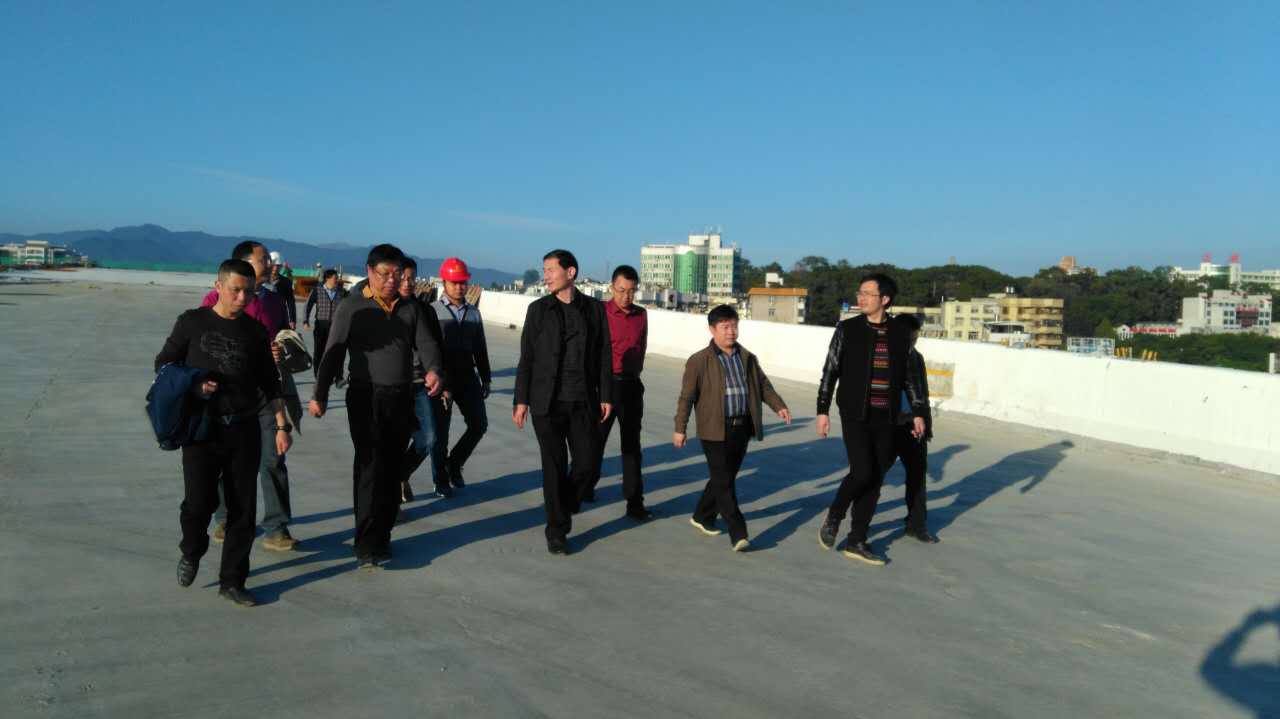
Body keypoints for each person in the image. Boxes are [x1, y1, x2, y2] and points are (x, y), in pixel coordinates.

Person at [157, 258, 293, 607]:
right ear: (218, 286)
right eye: (235, 290)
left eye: (248, 291)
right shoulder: (192, 322)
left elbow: (270, 383)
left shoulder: (255, 332)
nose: (242, 298)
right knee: (198, 504)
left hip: (244, 428)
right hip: (202, 428)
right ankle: (192, 549)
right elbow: (164, 363)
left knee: (242, 510)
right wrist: (194, 384)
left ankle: (232, 581)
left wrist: (281, 425)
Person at [309, 244, 444, 569]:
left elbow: (427, 344)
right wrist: (320, 393)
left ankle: (383, 536)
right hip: (364, 396)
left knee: (392, 469)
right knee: (370, 466)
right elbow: (333, 351)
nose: (392, 280)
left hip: (401, 396)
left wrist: (434, 369)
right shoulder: (352, 306)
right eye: (385, 274)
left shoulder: (410, 308)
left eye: (397, 274)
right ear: (370, 272)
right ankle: (366, 542)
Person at [814, 273, 928, 565]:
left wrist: (917, 412)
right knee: (863, 471)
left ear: (885, 299)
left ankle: (857, 540)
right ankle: (835, 514)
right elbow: (830, 370)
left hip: (887, 416)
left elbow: (910, 378)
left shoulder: (900, 333)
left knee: (875, 479)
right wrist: (822, 409)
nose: (861, 298)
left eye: (867, 293)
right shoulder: (848, 329)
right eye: (860, 293)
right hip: (854, 413)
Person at [512, 249, 612, 556]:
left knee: (588, 464)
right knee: (553, 467)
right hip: (547, 403)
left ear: (571, 273)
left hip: (583, 400)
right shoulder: (538, 310)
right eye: (544, 270)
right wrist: (521, 400)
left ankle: (564, 504)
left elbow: (604, 354)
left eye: (550, 270)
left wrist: (606, 394)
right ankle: (556, 531)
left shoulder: (594, 309)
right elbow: (527, 357)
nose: (546, 276)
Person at [201, 241, 299, 552]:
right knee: (226, 460)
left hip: (266, 392)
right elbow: (205, 341)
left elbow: (284, 336)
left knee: (273, 457)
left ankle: (276, 527)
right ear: (242, 263)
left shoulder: (274, 300)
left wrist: (281, 348)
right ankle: (224, 517)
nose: (270, 264)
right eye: (263, 260)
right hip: (229, 393)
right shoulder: (214, 299)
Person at [674, 305, 791, 552]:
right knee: (724, 483)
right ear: (712, 329)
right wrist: (680, 428)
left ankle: (702, 515)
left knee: (723, 478)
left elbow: (763, 385)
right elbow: (687, 397)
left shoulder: (747, 357)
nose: (731, 331)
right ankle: (738, 532)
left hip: (741, 427)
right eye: (725, 327)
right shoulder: (699, 361)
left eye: (734, 326)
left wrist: (778, 405)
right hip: (713, 429)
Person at [581, 264, 654, 520]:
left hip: (632, 386)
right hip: (605, 386)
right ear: (612, 288)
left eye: (632, 291)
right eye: (621, 290)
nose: (626, 296)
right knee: (595, 441)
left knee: (632, 447)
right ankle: (584, 487)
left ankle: (635, 503)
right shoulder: (599, 312)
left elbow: (642, 346)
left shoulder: (641, 315)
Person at [429, 257, 491, 493]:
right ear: (444, 282)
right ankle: (441, 480)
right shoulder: (432, 311)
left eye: (463, 282)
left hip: (468, 377)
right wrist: (440, 382)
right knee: (440, 433)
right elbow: (429, 350)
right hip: (441, 379)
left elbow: (480, 348)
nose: (459, 287)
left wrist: (485, 377)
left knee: (479, 424)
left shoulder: (474, 313)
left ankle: (454, 463)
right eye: (454, 282)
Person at [396, 258, 443, 503]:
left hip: (419, 384)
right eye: (403, 278)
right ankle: (391, 497)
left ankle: (399, 475)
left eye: (412, 278)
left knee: (428, 438)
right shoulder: (383, 308)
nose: (407, 283)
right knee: (394, 440)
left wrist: (439, 376)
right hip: (392, 386)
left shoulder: (425, 310)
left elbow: (436, 346)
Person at [891, 313, 939, 544]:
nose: (914, 341)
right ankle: (860, 526)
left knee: (918, 476)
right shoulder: (885, 356)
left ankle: (917, 524)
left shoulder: (917, 358)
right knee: (872, 475)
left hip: (914, 425)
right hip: (889, 425)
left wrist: (926, 425)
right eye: (911, 337)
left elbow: (922, 394)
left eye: (916, 337)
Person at [303, 269, 348, 386]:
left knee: (337, 351)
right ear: (327, 278)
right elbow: (307, 305)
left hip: (336, 326)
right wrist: (305, 320)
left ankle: (338, 378)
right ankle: (319, 376)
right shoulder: (317, 291)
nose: (337, 280)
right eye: (335, 278)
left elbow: (349, 306)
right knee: (319, 351)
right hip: (321, 325)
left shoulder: (342, 292)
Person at [268, 252, 297, 329]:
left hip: (280, 318)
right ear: (269, 264)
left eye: (278, 266)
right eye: (274, 265)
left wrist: (292, 320)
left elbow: (290, 302)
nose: (275, 268)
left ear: (281, 266)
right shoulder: (261, 280)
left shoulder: (286, 282)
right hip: (264, 316)